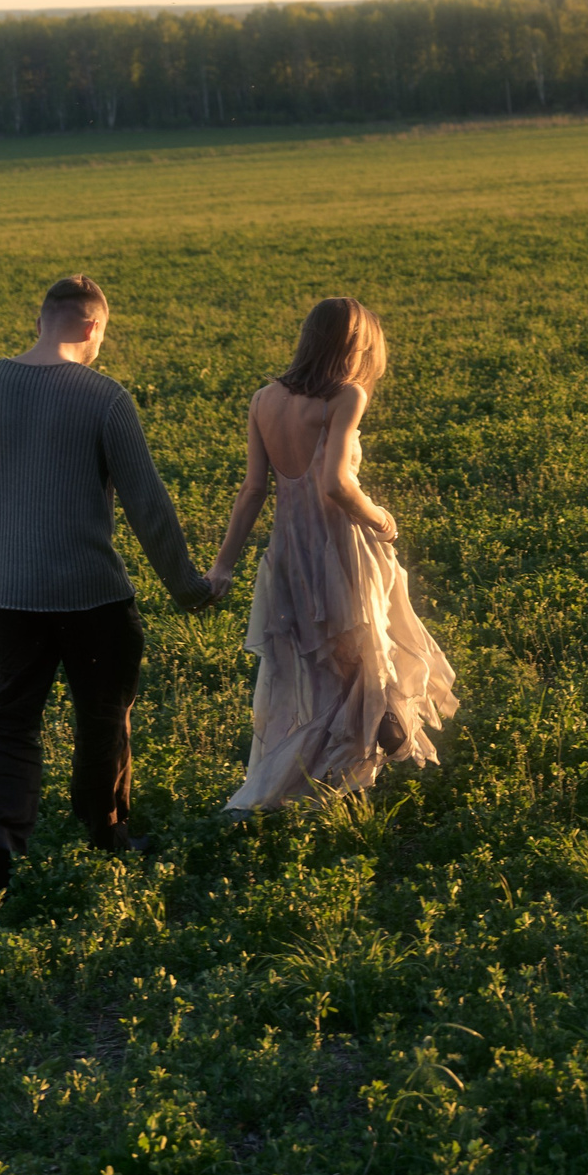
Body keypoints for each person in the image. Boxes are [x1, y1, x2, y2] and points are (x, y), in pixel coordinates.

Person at [0, 275, 216, 890]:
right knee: (103, 716)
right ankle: (106, 830)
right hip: (94, 596)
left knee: (6, 720)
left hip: (7, 597)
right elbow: (148, 504)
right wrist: (188, 587)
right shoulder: (103, 397)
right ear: (92, 328)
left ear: (40, 321)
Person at [206, 296, 455, 810]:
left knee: (325, 668)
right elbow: (336, 483)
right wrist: (381, 517)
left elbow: (253, 489)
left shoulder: (263, 399)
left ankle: (330, 774)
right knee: (372, 653)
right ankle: (330, 775)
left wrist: (223, 565)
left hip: (291, 553)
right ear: (356, 345)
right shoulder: (346, 395)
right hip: (343, 547)